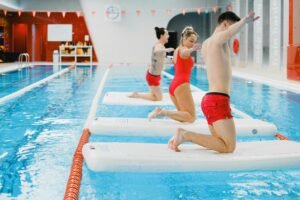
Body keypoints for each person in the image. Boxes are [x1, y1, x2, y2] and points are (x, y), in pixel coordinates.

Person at [168, 11, 259, 153]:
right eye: (232, 27)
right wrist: (244, 21)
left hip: (210, 99)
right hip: (218, 100)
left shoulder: (206, 44)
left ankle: (184, 135)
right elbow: (228, 34)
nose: (233, 32)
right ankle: (185, 135)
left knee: (219, 142)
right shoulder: (217, 40)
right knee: (229, 147)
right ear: (225, 24)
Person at [148, 26, 201, 123]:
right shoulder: (183, 50)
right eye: (191, 41)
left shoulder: (177, 50)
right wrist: (192, 49)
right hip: (182, 85)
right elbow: (185, 52)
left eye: (194, 42)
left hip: (174, 86)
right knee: (191, 117)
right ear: (184, 38)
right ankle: (163, 112)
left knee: (183, 115)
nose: (192, 44)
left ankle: (161, 111)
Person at [129, 27, 174, 101]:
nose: (168, 36)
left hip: (155, 75)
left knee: (153, 95)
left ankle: (137, 94)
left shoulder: (161, 45)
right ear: (162, 36)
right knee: (159, 99)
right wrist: (166, 49)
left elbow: (159, 59)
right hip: (153, 77)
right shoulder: (158, 45)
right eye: (167, 34)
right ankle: (137, 95)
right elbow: (156, 50)